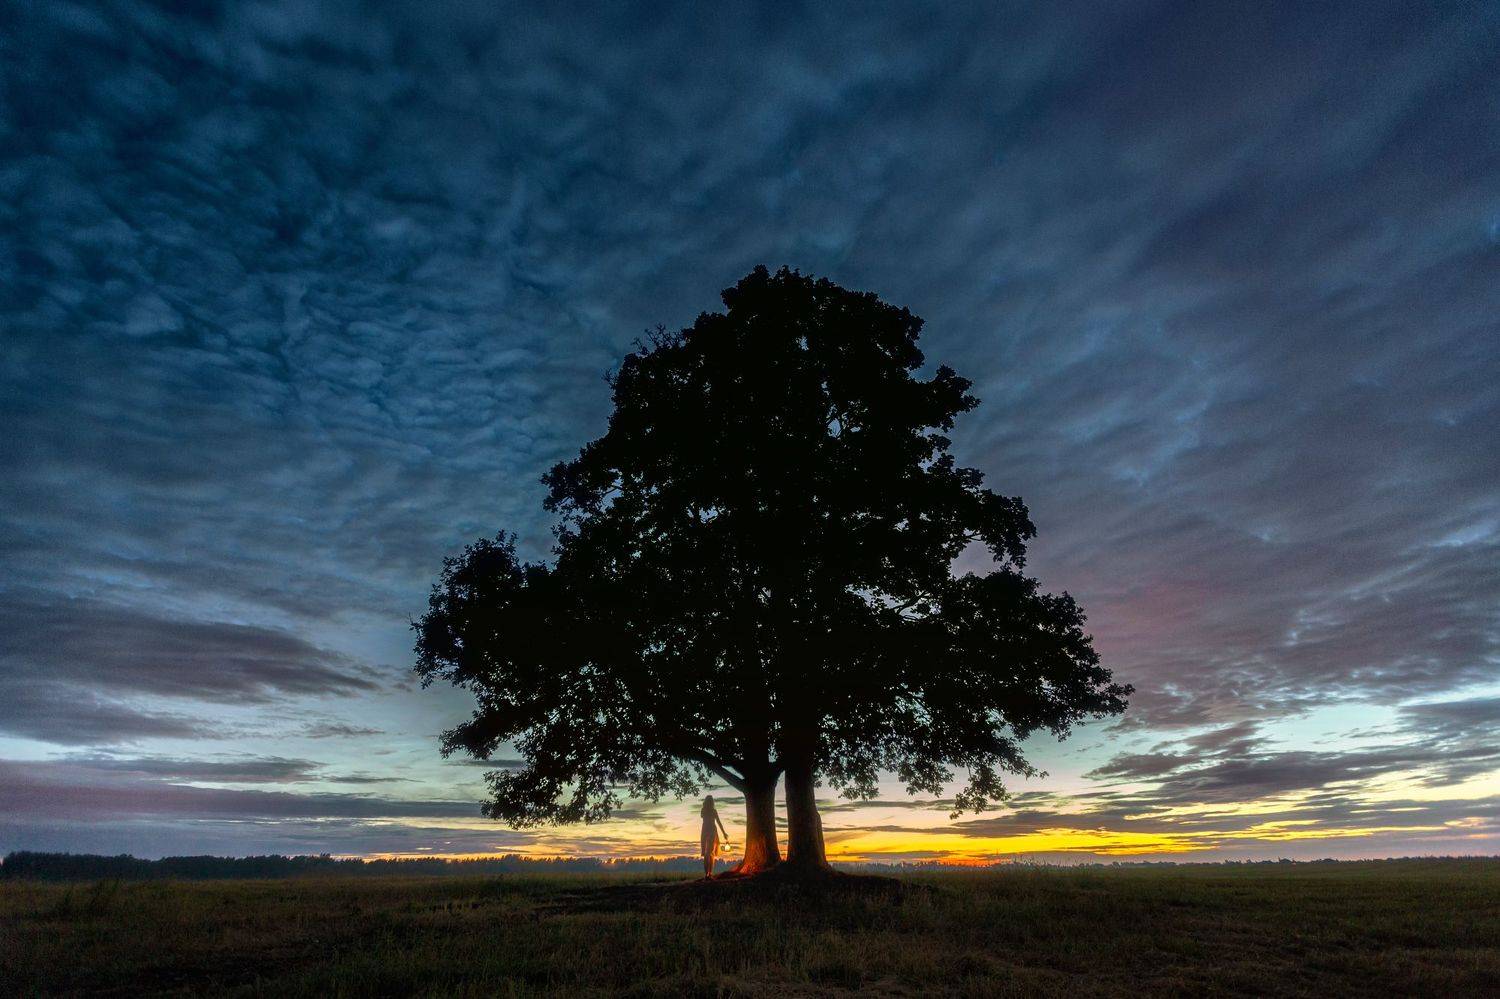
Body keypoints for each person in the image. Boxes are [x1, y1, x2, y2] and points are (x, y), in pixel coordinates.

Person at [699, 794, 730, 877]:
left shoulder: (703, 810)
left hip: (706, 830)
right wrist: (724, 833)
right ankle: (709, 873)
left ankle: (707, 874)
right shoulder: (713, 811)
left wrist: (724, 833)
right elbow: (718, 822)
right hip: (711, 830)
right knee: (710, 853)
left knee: (707, 853)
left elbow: (703, 816)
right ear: (712, 802)